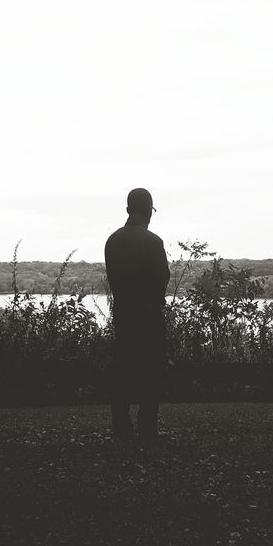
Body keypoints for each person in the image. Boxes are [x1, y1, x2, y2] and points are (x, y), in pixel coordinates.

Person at [104, 188, 170, 442]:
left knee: (122, 369)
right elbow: (161, 279)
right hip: (149, 316)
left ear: (128, 209)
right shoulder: (154, 242)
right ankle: (147, 425)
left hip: (123, 315)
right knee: (151, 372)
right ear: (148, 211)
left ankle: (121, 424)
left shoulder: (112, 240)